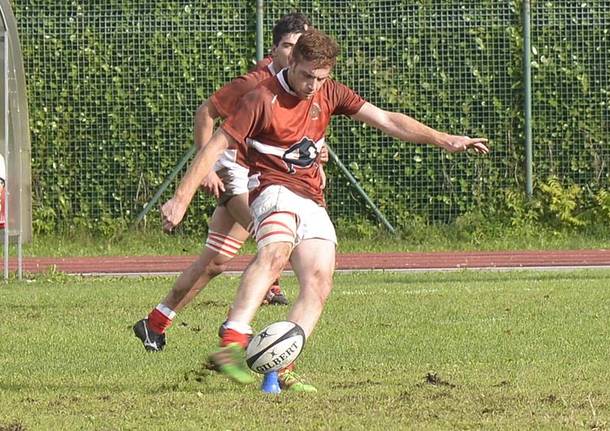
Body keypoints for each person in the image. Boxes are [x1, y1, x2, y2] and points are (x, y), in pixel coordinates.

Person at [160, 29, 489, 391]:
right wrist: (181, 198)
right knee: (275, 251)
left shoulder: (329, 90)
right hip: (271, 188)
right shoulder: (261, 96)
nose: (312, 85)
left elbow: (388, 119)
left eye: (321, 78)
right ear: (292, 61)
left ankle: (282, 368)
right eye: (306, 75)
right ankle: (232, 343)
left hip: (312, 196)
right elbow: (215, 146)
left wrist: (445, 139)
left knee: (319, 281)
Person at [133, 13, 317, 352]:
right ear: (274, 50)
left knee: (216, 261)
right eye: (289, 47)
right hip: (237, 173)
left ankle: (154, 323)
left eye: (300, 46)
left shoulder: (303, 84)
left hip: (258, 175)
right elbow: (205, 113)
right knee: (278, 240)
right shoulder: (255, 84)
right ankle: (239, 323)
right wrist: (207, 169)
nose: (295, 54)